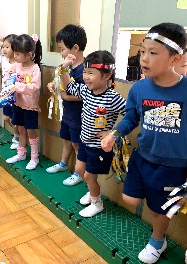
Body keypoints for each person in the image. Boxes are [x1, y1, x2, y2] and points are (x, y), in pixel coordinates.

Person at [101, 23, 187, 263]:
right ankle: (154, 207)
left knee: (160, 211)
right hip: (142, 157)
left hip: (172, 166)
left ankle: (157, 241)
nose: (144, 58)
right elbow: (131, 117)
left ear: (175, 58)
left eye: (153, 53)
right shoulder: (139, 88)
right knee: (130, 199)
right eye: (143, 51)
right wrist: (115, 133)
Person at [61, 51, 126, 217]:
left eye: (91, 73)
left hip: (100, 147)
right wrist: (64, 69)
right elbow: (68, 86)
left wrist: (113, 133)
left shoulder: (113, 97)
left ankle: (97, 203)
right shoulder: (85, 90)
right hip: (84, 141)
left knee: (90, 175)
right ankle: (92, 192)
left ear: (107, 75)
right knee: (80, 170)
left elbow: (131, 115)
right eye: (84, 72)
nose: (86, 77)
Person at [45, 24, 87, 186]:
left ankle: (79, 172)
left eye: (62, 49)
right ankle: (63, 164)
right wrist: (53, 86)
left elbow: (83, 95)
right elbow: (60, 83)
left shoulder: (84, 71)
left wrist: (63, 95)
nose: (61, 53)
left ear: (75, 48)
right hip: (68, 114)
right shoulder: (67, 68)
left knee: (77, 144)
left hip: (78, 116)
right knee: (67, 140)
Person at [5, 34, 42, 170]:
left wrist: (17, 87)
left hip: (30, 106)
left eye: (18, 54)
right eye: (14, 53)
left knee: (31, 131)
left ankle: (34, 157)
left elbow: (34, 87)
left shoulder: (35, 69)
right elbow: (8, 74)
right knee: (20, 129)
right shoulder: (17, 65)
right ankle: (21, 153)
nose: (15, 56)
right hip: (17, 103)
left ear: (29, 54)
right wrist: (7, 81)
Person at [0, 34, 20, 149]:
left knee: (14, 117)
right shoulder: (4, 60)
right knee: (7, 117)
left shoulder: (18, 64)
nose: (4, 49)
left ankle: (17, 136)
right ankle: (17, 133)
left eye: (7, 47)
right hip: (5, 94)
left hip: (14, 96)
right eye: (4, 47)